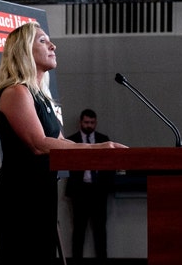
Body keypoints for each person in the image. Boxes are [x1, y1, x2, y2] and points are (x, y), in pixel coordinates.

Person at [0, 21, 127, 265]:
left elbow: (61, 142)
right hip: (20, 197)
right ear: (23, 51)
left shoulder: (42, 96)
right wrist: (97, 148)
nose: (53, 46)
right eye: (43, 41)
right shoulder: (16, 92)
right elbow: (40, 144)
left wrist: (103, 155)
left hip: (42, 192)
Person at [65, 109, 114, 265]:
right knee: (79, 230)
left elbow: (109, 166)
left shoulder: (103, 139)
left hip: (98, 191)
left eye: (92, 123)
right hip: (80, 191)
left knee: (100, 230)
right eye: (86, 122)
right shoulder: (71, 141)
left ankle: (102, 260)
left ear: (96, 123)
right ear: (80, 122)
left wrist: (106, 187)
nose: (89, 125)